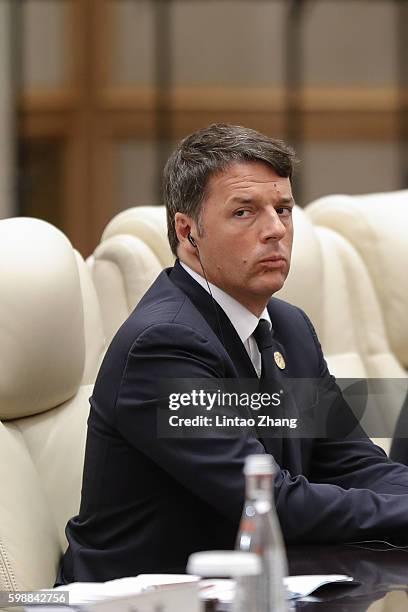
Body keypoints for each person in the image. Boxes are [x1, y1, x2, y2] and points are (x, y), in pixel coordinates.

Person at [61, 123, 408, 584]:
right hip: (147, 599)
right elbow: (270, 504)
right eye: (244, 213)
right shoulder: (163, 346)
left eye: (283, 210)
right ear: (188, 233)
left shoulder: (290, 327)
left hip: (261, 586)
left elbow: (353, 463)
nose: (275, 231)